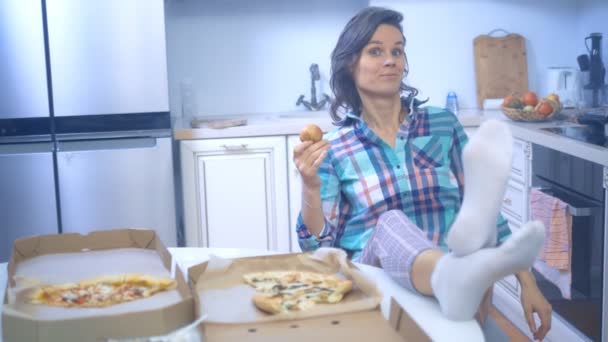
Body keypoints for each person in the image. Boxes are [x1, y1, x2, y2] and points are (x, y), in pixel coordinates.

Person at [293, 6, 552, 341]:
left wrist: (527, 283)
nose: (391, 60)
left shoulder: (442, 125)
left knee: (476, 217)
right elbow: (318, 248)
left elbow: (484, 208)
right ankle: (453, 277)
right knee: (390, 224)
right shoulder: (334, 148)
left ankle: (459, 274)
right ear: (349, 63)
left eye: (397, 50)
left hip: (460, 293)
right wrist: (310, 187)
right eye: (376, 51)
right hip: (379, 290)